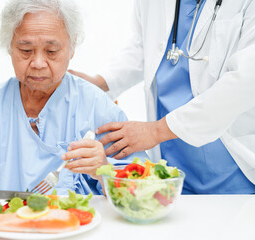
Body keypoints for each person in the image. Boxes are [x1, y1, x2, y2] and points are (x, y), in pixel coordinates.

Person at [0, 0, 146, 201]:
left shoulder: (97, 104)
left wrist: (104, 169)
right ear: (9, 47)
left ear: (72, 47)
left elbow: (143, 189)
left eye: (51, 51)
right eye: (25, 50)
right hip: (6, 226)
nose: (38, 63)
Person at [70, 0, 255, 194]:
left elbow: (246, 80)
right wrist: (102, 82)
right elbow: (145, 45)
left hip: (233, 168)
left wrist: (156, 131)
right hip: (174, 164)